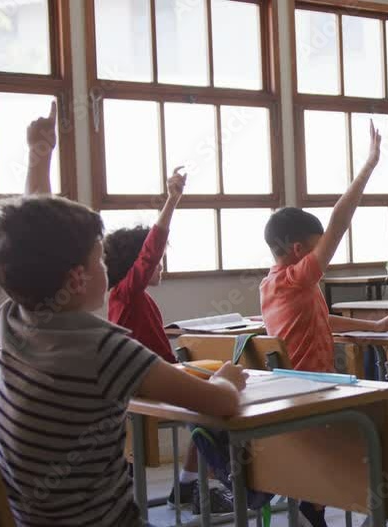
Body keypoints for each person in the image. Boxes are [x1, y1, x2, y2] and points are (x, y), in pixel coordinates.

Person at [0, 102, 248, 526]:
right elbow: (219, 403)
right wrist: (228, 379)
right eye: (99, 260)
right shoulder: (106, 349)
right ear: (77, 278)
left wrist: (40, 156)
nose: (106, 268)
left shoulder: (15, 321)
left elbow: (30, 238)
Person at [260, 121, 388, 526]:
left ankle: (313, 506)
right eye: (318, 248)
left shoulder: (275, 286)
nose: (326, 254)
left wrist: (374, 327)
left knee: (373, 402)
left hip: (297, 385)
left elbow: (318, 318)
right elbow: (340, 221)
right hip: (313, 389)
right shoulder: (296, 277)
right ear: (299, 249)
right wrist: (368, 166)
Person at [104, 167, 234, 513]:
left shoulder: (133, 298)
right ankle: (225, 479)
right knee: (222, 392)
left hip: (153, 375)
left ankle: (191, 484)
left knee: (217, 379)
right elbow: (150, 250)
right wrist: (172, 199)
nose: (160, 264)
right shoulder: (126, 293)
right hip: (148, 381)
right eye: (157, 260)